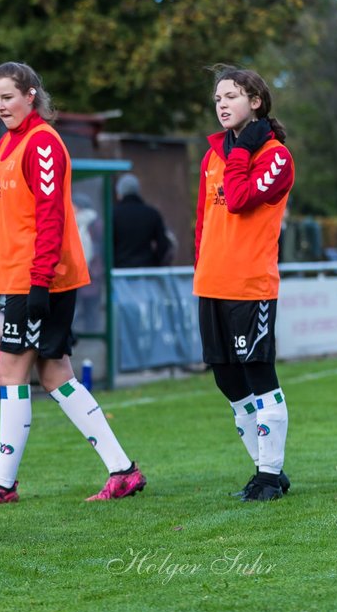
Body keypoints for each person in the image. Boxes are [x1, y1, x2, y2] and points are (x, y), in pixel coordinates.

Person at [0, 62, 146, 506]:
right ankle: (123, 471)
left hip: (41, 278)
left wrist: (39, 282)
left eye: (8, 96)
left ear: (31, 94)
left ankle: (3, 485)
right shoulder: (8, 143)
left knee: (10, 370)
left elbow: (49, 217)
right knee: (55, 373)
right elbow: (7, 221)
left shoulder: (43, 143)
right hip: (19, 275)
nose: (1, 105)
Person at [194, 66, 295, 502]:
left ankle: (270, 475)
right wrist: (200, 269)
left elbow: (237, 200)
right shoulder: (213, 155)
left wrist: (243, 150)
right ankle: (264, 469)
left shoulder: (276, 157)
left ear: (255, 102)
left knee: (259, 375)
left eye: (231, 96)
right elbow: (204, 221)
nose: (221, 104)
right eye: (218, 97)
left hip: (249, 286)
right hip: (211, 283)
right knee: (227, 379)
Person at [112, 173, 171, 268]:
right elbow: (163, 244)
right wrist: (155, 262)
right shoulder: (152, 213)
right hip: (147, 271)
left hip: (120, 273)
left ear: (119, 193)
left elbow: (108, 246)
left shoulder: (113, 215)